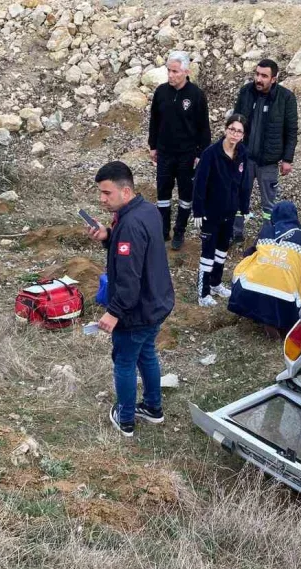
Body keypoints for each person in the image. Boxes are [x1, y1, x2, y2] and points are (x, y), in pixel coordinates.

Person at [85, 161, 175, 437]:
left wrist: (114, 312)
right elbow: (140, 251)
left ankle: (125, 420)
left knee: (124, 361)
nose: (102, 199)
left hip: (136, 310)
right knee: (146, 352)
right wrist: (107, 236)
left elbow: (129, 279)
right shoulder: (147, 211)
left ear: (125, 191)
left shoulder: (130, 224)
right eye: (100, 193)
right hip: (156, 302)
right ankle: (153, 408)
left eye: (106, 193)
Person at [228, 201, 301, 336]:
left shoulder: (266, 232)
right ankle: (277, 320)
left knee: (257, 270)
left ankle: (258, 311)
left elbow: (247, 254)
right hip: (284, 302)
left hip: (245, 294)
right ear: (294, 216)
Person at [147, 50, 211, 250]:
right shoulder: (161, 92)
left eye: (175, 71)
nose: (171, 75)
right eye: (169, 71)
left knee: (185, 195)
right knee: (163, 193)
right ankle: (163, 230)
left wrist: (201, 154)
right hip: (165, 153)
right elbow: (154, 121)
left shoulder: (196, 95)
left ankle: (180, 231)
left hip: (187, 155)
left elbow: (203, 127)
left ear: (186, 71)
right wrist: (153, 146)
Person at [232, 58, 299, 244]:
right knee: (238, 196)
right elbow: (235, 121)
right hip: (244, 157)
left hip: (269, 162)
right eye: (257, 74)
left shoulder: (286, 98)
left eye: (264, 76)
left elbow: (291, 131)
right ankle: (235, 233)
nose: (258, 79)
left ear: (274, 79)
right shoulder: (246, 92)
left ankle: (266, 237)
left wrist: (287, 159)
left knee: (268, 204)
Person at [192, 114, 251, 307]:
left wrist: (244, 208)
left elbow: (243, 184)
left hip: (230, 212)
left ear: (243, 135)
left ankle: (216, 283)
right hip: (211, 212)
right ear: (226, 130)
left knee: (221, 251)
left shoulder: (242, 153)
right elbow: (199, 183)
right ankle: (203, 293)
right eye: (232, 129)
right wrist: (198, 210)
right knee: (208, 253)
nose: (235, 134)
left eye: (239, 131)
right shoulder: (211, 153)